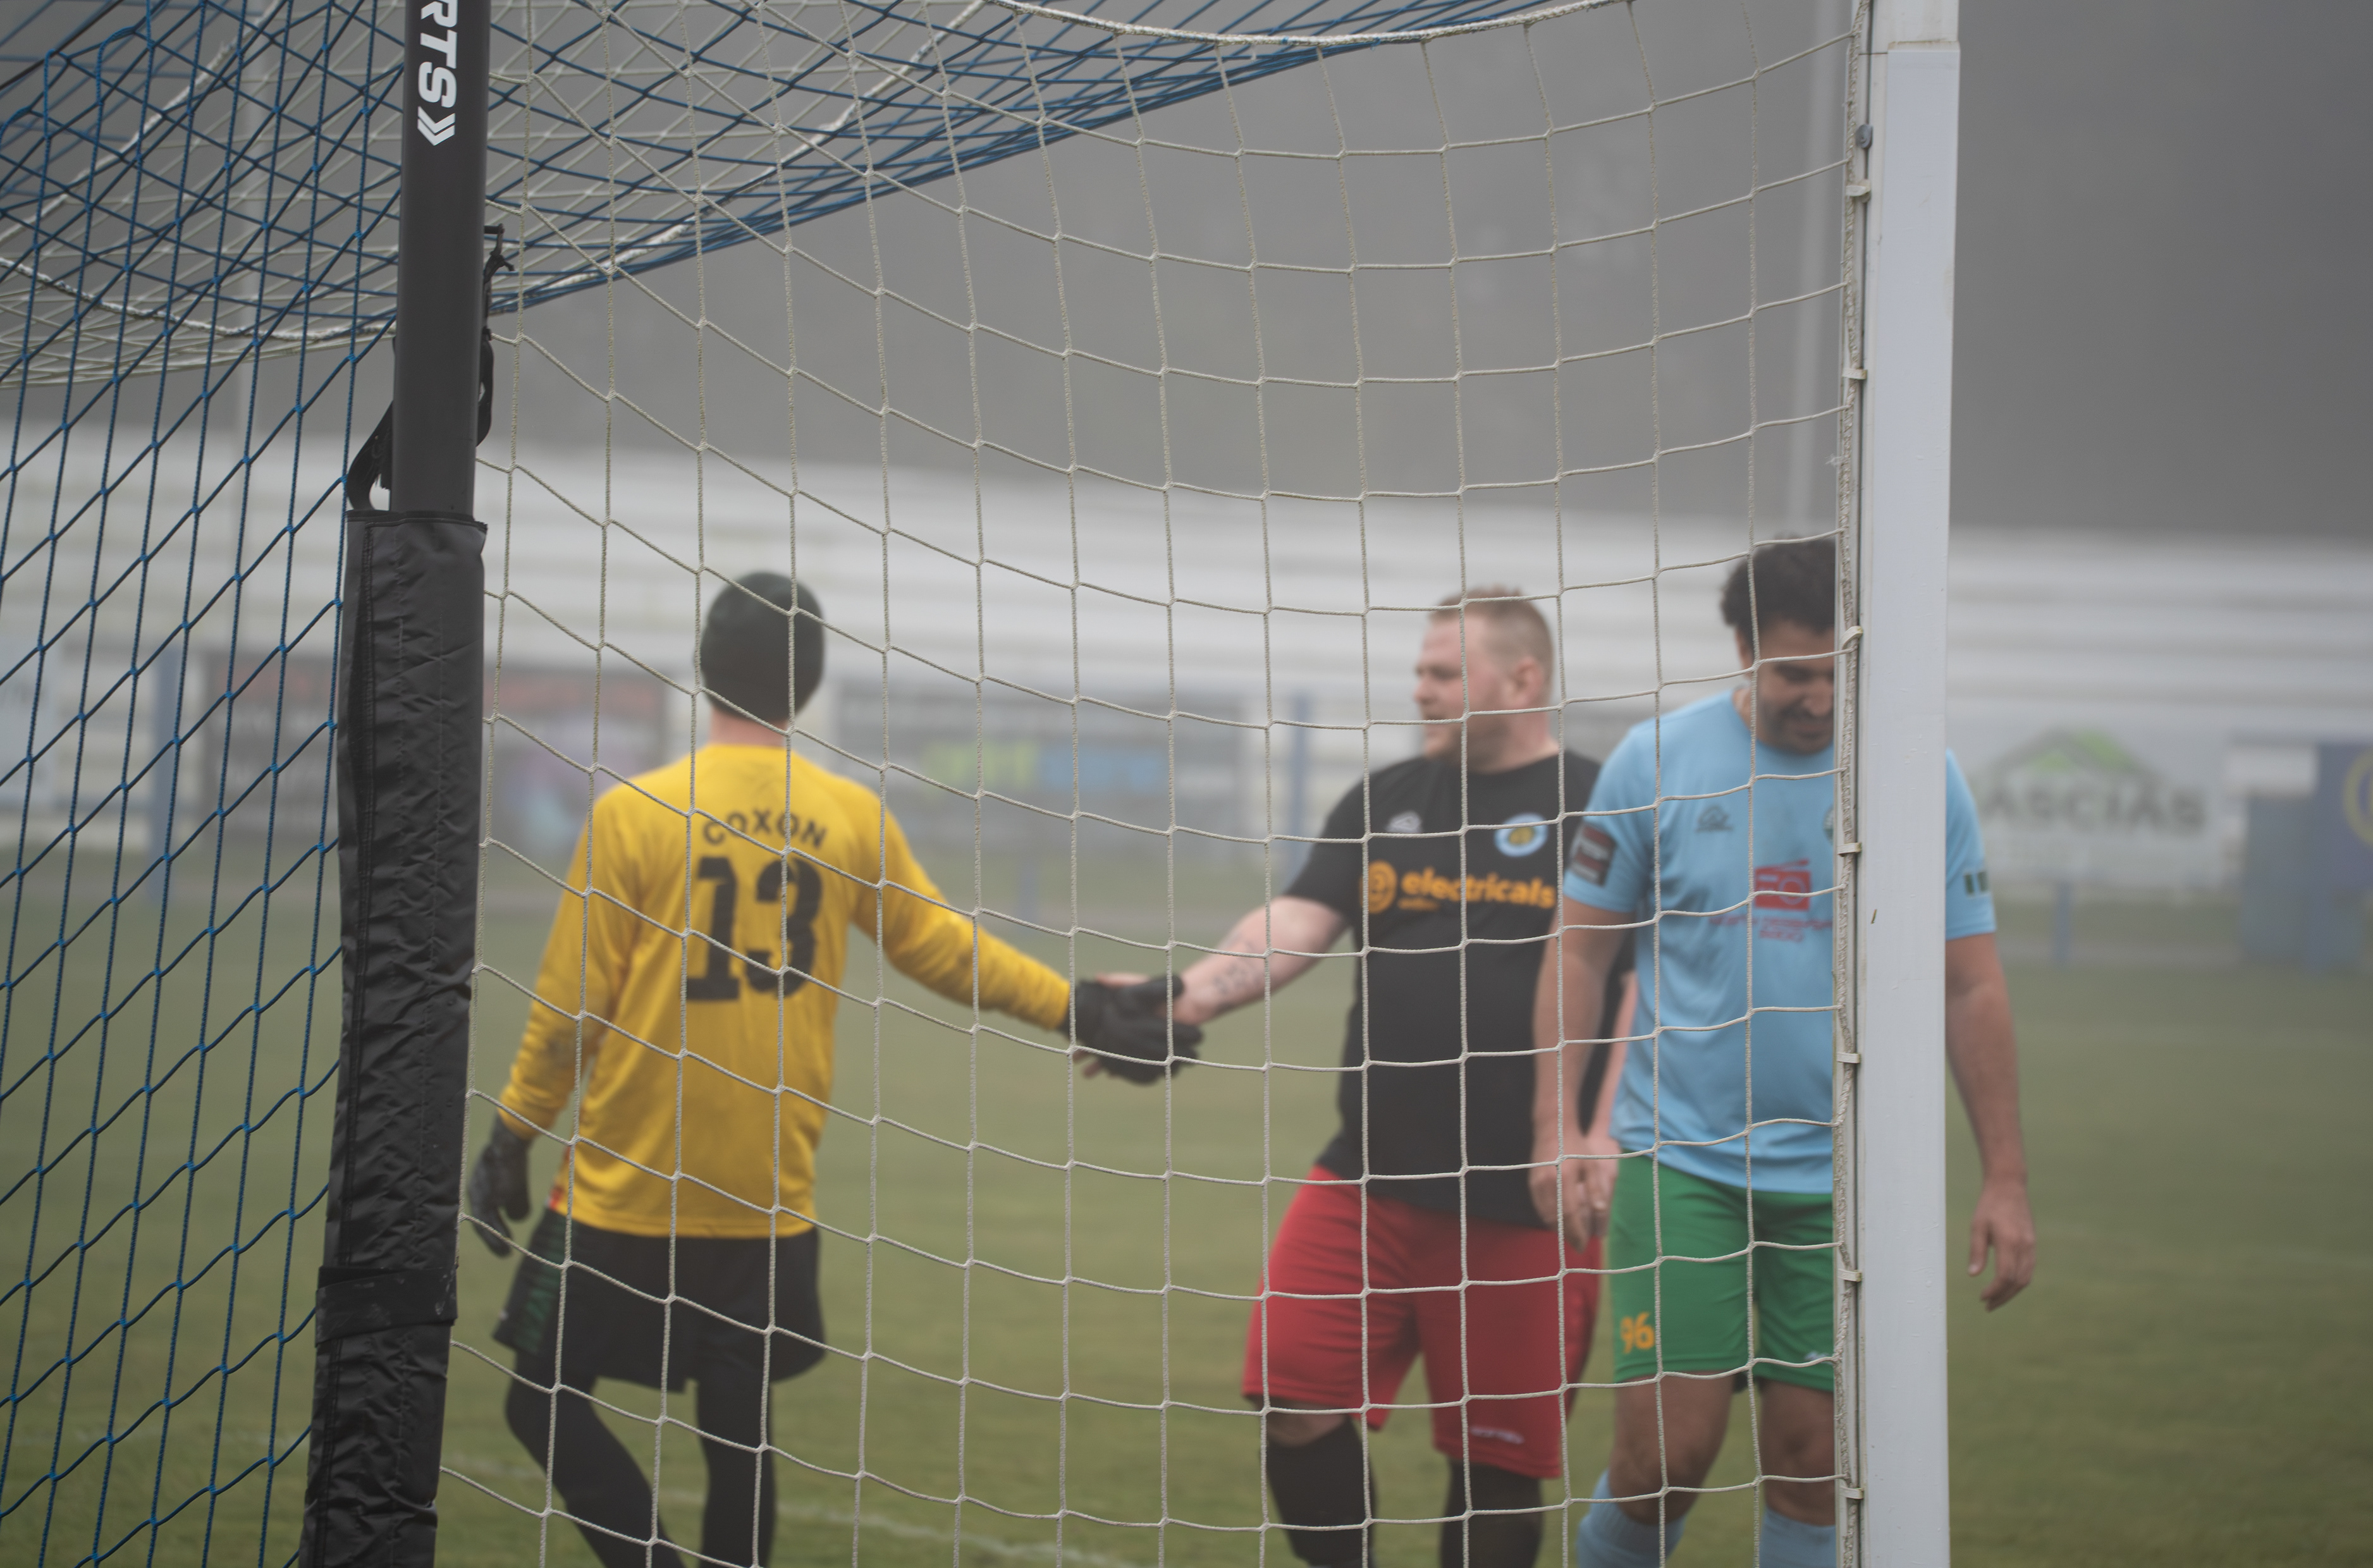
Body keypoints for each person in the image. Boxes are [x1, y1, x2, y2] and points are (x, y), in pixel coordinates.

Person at [463, 572, 1191, 1568]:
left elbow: (568, 1015)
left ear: (704, 668)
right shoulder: (848, 816)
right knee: (737, 1431)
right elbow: (943, 948)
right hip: (767, 1192)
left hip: (628, 1182)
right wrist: (1079, 1007)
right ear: (805, 688)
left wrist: (513, 1132)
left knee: (541, 1400)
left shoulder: (634, 814)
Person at [1529, 535, 2036, 1568]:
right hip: (1680, 1161)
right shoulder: (1656, 762)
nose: (1819, 697)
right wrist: (1560, 1126)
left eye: (1838, 670)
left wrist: (2006, 1178)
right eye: (1794, 673)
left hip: (1842, 1182)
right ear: (1743, 652)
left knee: (1813, 1465)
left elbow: (1970, 983)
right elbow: (1579, 950)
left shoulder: (1917, 777)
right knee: (1667, 1458)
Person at [1163, 588, 1634, 1568]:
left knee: (1497, 1466)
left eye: (1444, 673)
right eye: (1420, 671)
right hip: (1369, 1177)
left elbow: (1649, 976)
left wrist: (1603, 1131)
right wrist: (1185, 997)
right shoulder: (1385, 800)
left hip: (1525, 1196)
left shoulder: (1602, 803)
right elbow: (1296, 921)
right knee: (1291, 1395)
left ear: (1524, 680)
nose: (1420, 691)